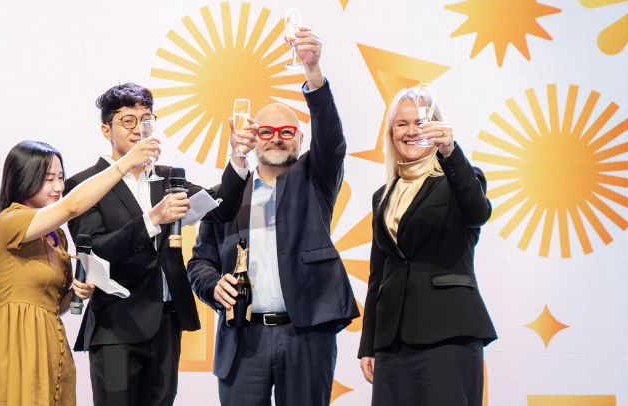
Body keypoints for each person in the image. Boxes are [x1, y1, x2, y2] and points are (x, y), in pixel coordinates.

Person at [187, 27, 360, 406]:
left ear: (299, 140)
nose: (277, 138)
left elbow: (331, 139)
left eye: (286, 131)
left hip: (306, 335)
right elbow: (200, 261)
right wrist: (212, 285)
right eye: (266, 131)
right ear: (252, 138)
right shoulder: (225, 195)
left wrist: (313, 73)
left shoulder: (315, 181)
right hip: (242, 336)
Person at [64, 82, 251, 406]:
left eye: (146, 119)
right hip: (115, 324)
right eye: (128, 121)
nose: (140, 129)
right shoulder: (84, 184)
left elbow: (221, 207)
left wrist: (236, 156)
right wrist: (152, 219)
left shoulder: (168, 179)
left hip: (167, 322)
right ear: (106, 130)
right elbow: (95, 249)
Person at [0, 139, 158, 406]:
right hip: (15, 342)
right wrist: (125, 163)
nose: (59, 187)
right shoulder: (9, 221)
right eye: (48, 179)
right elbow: (72, 206)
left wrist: (77, 292)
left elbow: (55, 305)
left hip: (51, 340)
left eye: (61, 177)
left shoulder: (57, 235)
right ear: (24, 178)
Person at [357, 86, 497, 405]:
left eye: (420, 123)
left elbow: (478, 213)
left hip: (448, 334)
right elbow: (378, 276)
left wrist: (451, 152)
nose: (410, 132)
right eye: (401, 124)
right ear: (391, 133)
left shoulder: (461, 180)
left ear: (437, 129)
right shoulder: (383, 196)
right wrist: (369, 345)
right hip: (392, 345)